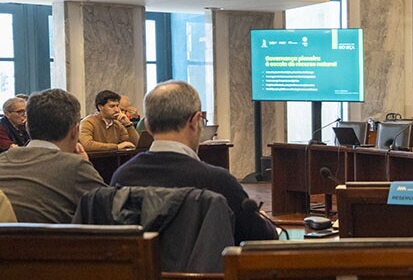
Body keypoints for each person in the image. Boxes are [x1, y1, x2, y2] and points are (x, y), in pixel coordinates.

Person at [111, 80, 278, 244]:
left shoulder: (122, 177)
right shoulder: (218, 182)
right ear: (196, 120)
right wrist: (263, 221)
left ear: (147, 126)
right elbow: (260, 238)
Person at [0, 89, 106, 223]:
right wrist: (86, 165)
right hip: (53, 237)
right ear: (75, 131)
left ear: (27, 127)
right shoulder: (75, 167)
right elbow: (111, 211)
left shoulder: (3, 160)